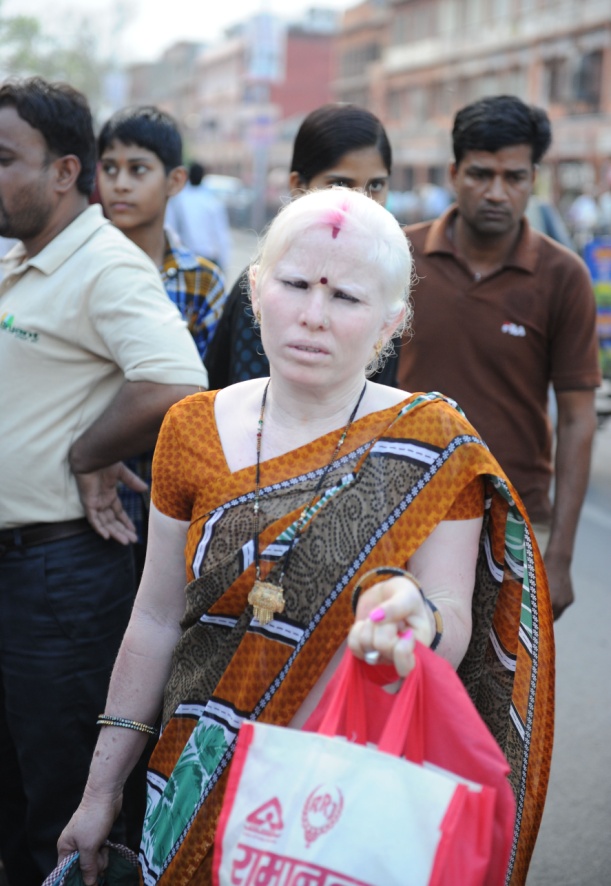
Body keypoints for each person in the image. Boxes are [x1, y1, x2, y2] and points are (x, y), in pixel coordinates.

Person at [58, 187, 554, 886]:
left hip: (338, 795)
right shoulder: (190, 428)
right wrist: (101, 790)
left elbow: (448, 613)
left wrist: (414, 623)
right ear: (257, 290)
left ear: (390, 322)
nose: (313, 316)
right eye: (295, 285)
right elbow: (155, 618)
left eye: (345, 298)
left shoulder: (430, 441)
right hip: (193, 779)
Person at [0, 77, 207, 885]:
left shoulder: (104, 264)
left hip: (58, 576)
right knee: (14, 796)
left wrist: (90, 454)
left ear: (63, 171)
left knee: (63, 809)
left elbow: (175, 381)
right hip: (19, 569)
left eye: (4, 158)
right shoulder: (25, 259)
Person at [396, 94, 601, 621]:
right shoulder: (400, 257)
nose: (496, 192)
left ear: (534, 180)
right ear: (453, 173)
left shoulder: (563, 276)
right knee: (399, 661)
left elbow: (578, 419)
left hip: (516, 518)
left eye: (513, 178)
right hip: (401, 506)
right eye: (480, 174)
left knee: (503, 675)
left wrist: (560, 556)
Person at [97, 106, 227, 572]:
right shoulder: (81, 268)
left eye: (138, 170)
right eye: (109, 168)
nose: (120, 184)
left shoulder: (200, 281)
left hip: (167, 493)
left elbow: (205, 399)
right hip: (82, 494)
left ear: (174, 180)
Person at [205, 102, 397, 389]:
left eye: (377, 186)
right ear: (299, 186)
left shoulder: (385, 281)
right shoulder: (268, 287)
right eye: (341, 184)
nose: (361, 202)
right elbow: (257, 403)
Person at [165, 161, 231, 273]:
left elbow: (171, 230)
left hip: (186, 260)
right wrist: (225, 264)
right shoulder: (212, 201)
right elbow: (222, 235)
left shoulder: (179, 200)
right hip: (209, 260)